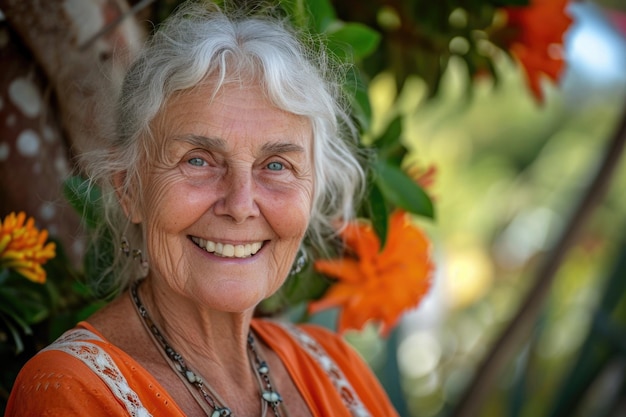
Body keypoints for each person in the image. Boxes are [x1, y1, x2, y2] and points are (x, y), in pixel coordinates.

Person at [5, 1, 399, 416]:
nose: (241, 204)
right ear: (129, 190)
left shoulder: (338, 369)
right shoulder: (70, 391)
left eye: (277, 165)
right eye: (198, 160)